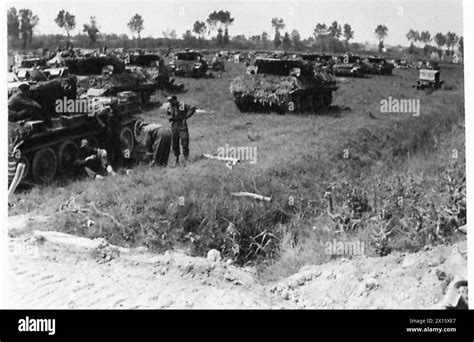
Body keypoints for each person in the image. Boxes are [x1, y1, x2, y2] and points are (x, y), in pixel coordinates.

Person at [166, 95, 196, 165]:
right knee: (175, 143)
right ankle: (176, 159)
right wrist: (169, 117)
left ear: (175, 99)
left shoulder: (182, 105)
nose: (170, 102)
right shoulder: (170, 107)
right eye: (169, 101)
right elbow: (167, 114)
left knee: (185, 142)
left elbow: (192, 108)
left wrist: (186, 116)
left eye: (171, 101)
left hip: (182, 125)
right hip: (174, 126)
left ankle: (186, 158)